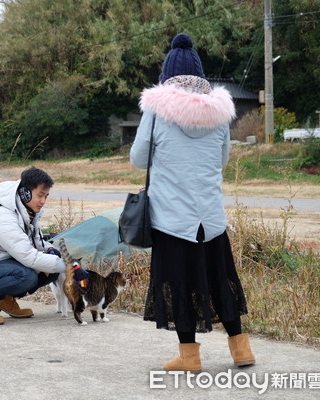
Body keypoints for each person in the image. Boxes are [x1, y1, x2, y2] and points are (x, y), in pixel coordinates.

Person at [129, 33, 255, 372]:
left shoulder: (156, 112)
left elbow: (139, 159)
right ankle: (240, 350)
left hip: (172, 219)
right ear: (201, 78)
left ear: (166, 78)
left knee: (177, 283)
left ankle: (190, 357)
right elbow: (222, 159)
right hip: (210, 218)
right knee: (220, 278)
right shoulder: (220, 114)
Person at [0, 166, 83, 325]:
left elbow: (36, 242)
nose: (43, 201)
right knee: (26, 276)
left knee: (52, 270)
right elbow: (29, 257)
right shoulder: (4, 218)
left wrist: (51, 251)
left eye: (46, 196)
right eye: (40, 195)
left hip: (5, 261)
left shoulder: (28, 212)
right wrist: (71, 267)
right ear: (25, 193)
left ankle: (4, 299)